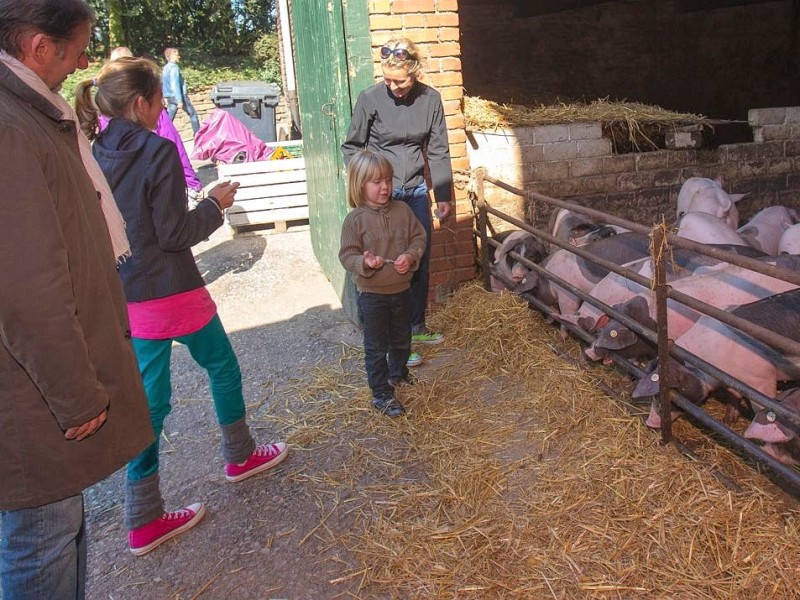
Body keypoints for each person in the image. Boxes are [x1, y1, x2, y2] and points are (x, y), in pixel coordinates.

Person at [75, 57, 289, 556]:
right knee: (222, 367)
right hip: (173, 287)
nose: (163, 110)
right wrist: (215, 204)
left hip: (129, 290)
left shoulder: (95, 149)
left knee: (150, 402)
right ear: (143, 104)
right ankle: (240, 455)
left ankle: (142, 513)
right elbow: (175, 233)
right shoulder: (158, 150)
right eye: (159, 102)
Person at [0, 1, 154, 597]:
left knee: (58, 528)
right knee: (41, 538)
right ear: (40, 48)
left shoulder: (32, 114)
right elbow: (25, 288)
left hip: (34, 387)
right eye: (77, 48)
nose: (83, 61)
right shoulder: (12, 130)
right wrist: (74, 392)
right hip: (30, 395)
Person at [341, 37, 453, 367]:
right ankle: (392, 339)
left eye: (401, 81)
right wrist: (367, 184)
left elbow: (438, 150)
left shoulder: (430, 100)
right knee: (383, 265)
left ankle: (415, 326)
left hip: (415, 192)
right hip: (379, 195)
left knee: (416, 258)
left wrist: (442, 195)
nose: (394, 88)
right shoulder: (370, 99)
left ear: (415, 72)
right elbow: (352, 146)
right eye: (388, 80)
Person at [339, 150, 427, 418]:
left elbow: (418, 238)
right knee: (376, 347)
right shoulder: (355, 220)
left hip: (401, 290)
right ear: (359, 184)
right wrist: (364, 263)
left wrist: (411, 255)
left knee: (402, 339)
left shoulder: (403, 210)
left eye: (387, 179)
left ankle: (398, 373)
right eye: (376, 182)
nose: (385, 186)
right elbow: (347, 255)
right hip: (373, 295)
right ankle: (380, 393)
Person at [99, 46, 204, 199]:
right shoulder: (158, 148)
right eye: (160, 98)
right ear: (142, 104)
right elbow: (175, 146)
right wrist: (196, 188)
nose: (163, 104)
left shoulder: (100, 141)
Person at [162, 46, 200, 134]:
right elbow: (175, 84)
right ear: (171, 56)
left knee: (168, 118)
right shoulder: (174, 67)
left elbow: (164, 83)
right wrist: (179, 100)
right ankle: (198, 135)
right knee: (193, 114)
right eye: (177, 55)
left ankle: (163, 134)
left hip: (170, 96)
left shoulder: (165, 68)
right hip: (178, 95)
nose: (179, 57)